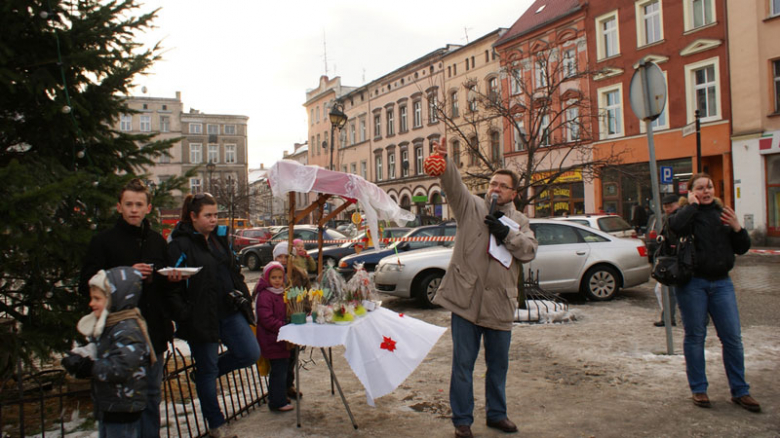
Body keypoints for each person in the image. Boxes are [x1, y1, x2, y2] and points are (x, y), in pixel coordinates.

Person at [431, 139, 538, 438]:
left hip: (500, 305)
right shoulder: (472, 207)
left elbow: (528, 251)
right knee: (462, 365)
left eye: (503, 186)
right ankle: (462, 420)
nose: (495, 188)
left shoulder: (520, 221)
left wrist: (506, 233)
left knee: (498, 366)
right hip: (466, 301)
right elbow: (454, 187)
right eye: (493, 183)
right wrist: (446, 161)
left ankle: (497, 414)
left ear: (513, 193)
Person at [78, 178, 172, 438]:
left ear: (148, 208)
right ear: (118, 207)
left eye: (139, 204)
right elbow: (85, 283)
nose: (134, 209)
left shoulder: (156, 241)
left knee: (152, 396)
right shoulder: (103, 241)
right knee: (121, 402)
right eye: (128, 204)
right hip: (117, 335)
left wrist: (167, 278)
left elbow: (165, 286)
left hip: (152, 331)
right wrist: (125, 274)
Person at [167, 193, 260, 437]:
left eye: (215, 215)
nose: (213, 219)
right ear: (193, 216)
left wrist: (244, 297)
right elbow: (171, 287)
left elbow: (234, 271)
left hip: (228, 312)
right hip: (200, 318)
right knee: (208, 372)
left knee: (250, 352)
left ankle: (204, 374)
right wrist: (185, 314)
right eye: (207, 215)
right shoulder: (180, 244)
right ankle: (217, 424)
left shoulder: (220, 239)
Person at [668, 173, 760, 413]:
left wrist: (738, 228)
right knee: (695, 337)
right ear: (690, 192)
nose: (706, 191)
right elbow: (675, 227)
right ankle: (699, 389)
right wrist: (692, 206)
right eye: (699, 188)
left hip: (722, 284)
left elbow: (742, 248)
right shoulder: (685, 214)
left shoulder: (723, 214)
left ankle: (740, 391)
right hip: (692, 284)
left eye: (709, 186)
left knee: (732, 338)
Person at [63, 267, 155, 438]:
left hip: (123, 408)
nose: (91, 303)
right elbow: (99, 350)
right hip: (109, 405)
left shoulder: (127, 329)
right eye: (92, 298)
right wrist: (79, 356)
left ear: (116, 297)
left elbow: (121, 368)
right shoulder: (110, 325)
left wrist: (90, 367)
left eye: (97, 298)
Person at [255, 261, 295, 412]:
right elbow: (266, 319)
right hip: (272, 339)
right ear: (267, 278)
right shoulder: (265, 295)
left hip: (281, 338)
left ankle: (279, 396)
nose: (277, 280)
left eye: (280, 277)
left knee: (282, 368)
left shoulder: (282, 292)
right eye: (274, 277)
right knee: (278, 370)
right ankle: (277, 401)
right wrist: (283, 326)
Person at [652, 194, 682, 327]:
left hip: (677, 260)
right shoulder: (666, 219)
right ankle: (668, 318)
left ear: (678, 204)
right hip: (670, 260)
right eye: (665, 207)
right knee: (663, 290)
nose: (668, 209)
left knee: (671, 291)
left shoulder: (680, 218)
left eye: (670, 206)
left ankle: (669, 318)